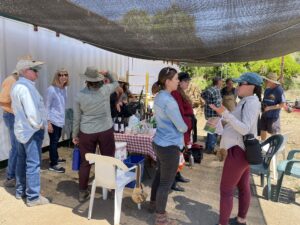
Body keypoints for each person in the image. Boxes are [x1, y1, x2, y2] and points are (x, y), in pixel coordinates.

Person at [209, 72, 263, 225]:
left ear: (251, 86)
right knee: (243, 186)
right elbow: (237, 124)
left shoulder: (251, 103)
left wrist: (225, 113)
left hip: (238, 151)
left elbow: (245, 129)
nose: (237, 86)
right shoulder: (247, 100)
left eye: (241, 84)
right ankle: (241, 220)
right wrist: (221, 121)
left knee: (226, 190)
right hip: (241, 150)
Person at [72, 66, 119, 202]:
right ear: (99, 80)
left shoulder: (79, 95)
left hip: (87, 132)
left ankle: (82, 192)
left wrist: (75, 135)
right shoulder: (105, 90)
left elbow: (77, 118)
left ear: (86, 80)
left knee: (85, 163)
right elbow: (115, 82)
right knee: (109, 159)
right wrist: (108, 72)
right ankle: (111, 190)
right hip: (105, 130)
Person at [150, 67, 187, 225]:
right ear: (167, 81)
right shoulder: (169, 101)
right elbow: (181, 126)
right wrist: (186, 128)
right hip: (169, 145)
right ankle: (161, 218)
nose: (178, 81)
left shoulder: (159, 97)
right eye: (176, 78)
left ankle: (153, 204)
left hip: (159, 142)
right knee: (166, 183)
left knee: (159, 176)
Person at [11, 57, 49, 206]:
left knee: (21, 161)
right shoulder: (25, 88)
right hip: (31, 131)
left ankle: (20, 191)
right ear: (26, 71)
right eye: (34, 70)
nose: (37, 73)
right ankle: (33, 197)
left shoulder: (17, 86)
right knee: (33, 163)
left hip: (21, 130)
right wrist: (39, 125)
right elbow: (31, 111)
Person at [170, 72, 194, 192]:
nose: (188, 83)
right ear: (180, 81)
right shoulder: (175, 93)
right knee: (176, 154)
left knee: (181, 153)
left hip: (185, 125)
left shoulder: (180, 92)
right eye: (187, 81)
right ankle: (172, 181)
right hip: (181, 127)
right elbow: (178, 113)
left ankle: (177, 176)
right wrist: (187, 123)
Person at [46, 69, 69, 173]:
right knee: (53, 142)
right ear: (57, 76)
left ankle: (55, 157)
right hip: (53, 120)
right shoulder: (51, 89)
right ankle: (53, 164)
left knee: (56, 140)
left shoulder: (65, 89)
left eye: (66, 75)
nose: (64, 76)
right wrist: (48, 122)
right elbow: (47, 106)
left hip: (60, 120)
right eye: (61, 75)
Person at [0, 70, 19, 187]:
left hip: (14, 116)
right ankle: (10, 177)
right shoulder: (11, 80)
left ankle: (13, 175)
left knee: (17, 147)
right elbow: (2, 99)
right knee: (16, 147)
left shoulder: (16, 80)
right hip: (12, 116)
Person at [260, 72, 285, 141]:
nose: (265, 82)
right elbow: (264, 101)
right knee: (262, 130)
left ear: (271, 81)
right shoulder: (267, 89)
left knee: (275, 135)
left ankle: (278, 149)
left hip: (273, 117)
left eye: (266, 80)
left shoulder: (279, 90)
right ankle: (262, 144)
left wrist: (270, 108)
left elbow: (283, 104)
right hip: (264, 115)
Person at [201, 77, 223, 154]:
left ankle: (208, 147)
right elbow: (217, 105)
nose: (222, 83)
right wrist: (220, 114)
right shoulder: (216, 90)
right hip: (214, 113)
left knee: (210, 130)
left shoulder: (209, 89)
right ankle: (210, 149)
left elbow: (202, 94)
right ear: (218, 82)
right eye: (221, 81)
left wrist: (208, 102)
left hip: (209, 113)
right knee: (213, 132)